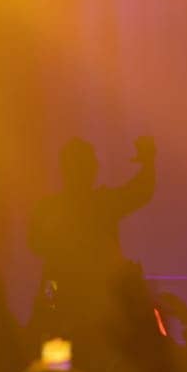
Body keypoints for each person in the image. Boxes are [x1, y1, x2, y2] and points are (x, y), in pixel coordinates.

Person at [28, 136, 156, 337]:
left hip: (71, 302)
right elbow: (140, 192)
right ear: (82, 168)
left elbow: (36, 246)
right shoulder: (102, 204)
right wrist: (148, 161)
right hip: (95, 304)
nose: (96, 167)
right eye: (91, 162)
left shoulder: (47, 209)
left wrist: (47, 306)